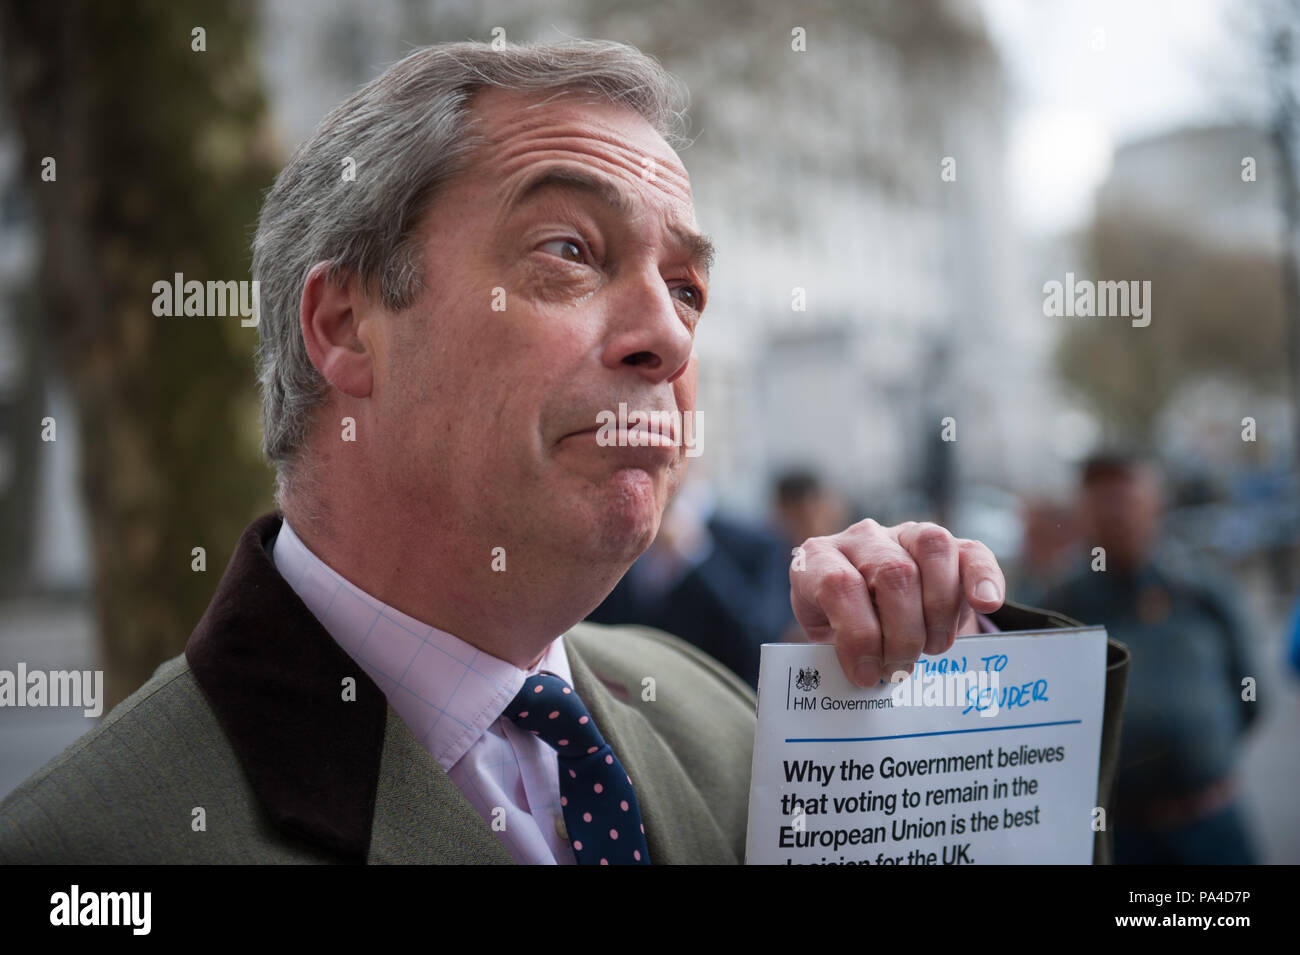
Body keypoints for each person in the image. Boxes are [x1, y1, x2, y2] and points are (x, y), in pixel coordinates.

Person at [1, 39, 1035, 865]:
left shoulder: (727, 716)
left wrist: (904, 732)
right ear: (348, 324)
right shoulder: (87, 851)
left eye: (686, 287)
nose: (672, 339)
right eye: (569, 251)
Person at [1040, 451, 1262, 865]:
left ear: (1155, 502)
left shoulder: (1201, 589)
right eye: (1100, 499)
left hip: (1212, 825)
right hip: (1115, 837)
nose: (1115, 513)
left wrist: (1203, 747)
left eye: (1126, 497)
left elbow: (1250, 691)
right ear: (1082, 512)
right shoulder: (1059, 606)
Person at [586, 475, 794, 689]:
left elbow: (760, 639)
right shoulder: (614, 531)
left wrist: (695, 556)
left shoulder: (755, 542)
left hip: (717, 699)